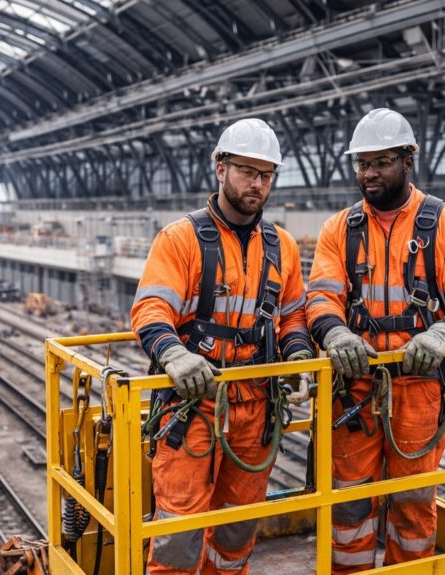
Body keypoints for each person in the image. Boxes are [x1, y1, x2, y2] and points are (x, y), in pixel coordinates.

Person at [305, 108, 445, 573]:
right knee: (349, 501)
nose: (368, 173)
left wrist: (444, 333)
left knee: (412, 501)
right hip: (355, 386)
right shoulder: (339, 230)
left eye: (381, 162)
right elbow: (321, 298)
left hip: (420, 387)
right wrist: (335, 332)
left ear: (408, 161)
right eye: (361, 164)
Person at [131, 118, 315, 574]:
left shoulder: (282, 247)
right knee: (178, 530)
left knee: (237, 526)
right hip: (192, 406)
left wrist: (297, 355)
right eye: (247, 171)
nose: (257, 184)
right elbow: (151, 308)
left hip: (256, 406)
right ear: (220, 167)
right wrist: (175, 354)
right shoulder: (181, 239)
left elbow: (292, 314)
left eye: (266, 175)